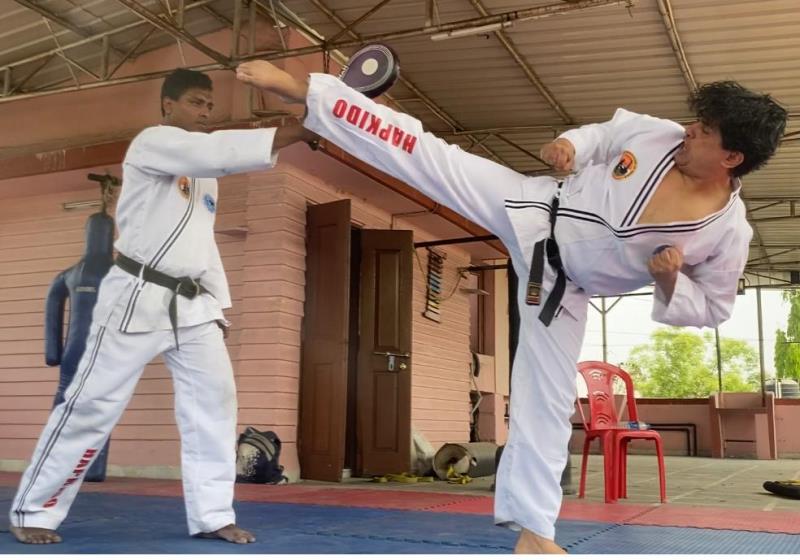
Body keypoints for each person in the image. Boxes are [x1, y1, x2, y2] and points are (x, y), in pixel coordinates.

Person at [235, 61, 787, 553]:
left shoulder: (726, 233)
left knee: (547, 401)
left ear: (731, 157)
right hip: (533, 205)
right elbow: (604, 136)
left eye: (705, 131)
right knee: (428, 155)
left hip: (563, 287)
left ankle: (534, 532)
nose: (689, 129)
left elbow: (713, 307)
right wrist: (571, 144)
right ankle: (314, 95)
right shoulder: (658, 134)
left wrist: (669, 282)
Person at [9, 68, 309, 545]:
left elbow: (202, 243)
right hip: (136, 294)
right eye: (195, 102)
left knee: (215, 404)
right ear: (168, 106)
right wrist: (300, 129)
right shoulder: (153, 143)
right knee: (91, 404)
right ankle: (34, 510)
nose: (205, 112)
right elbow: (216, 152)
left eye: (209, 105)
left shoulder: (204, 176)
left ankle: (212, 515)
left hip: (193, 306)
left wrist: (218, 305)